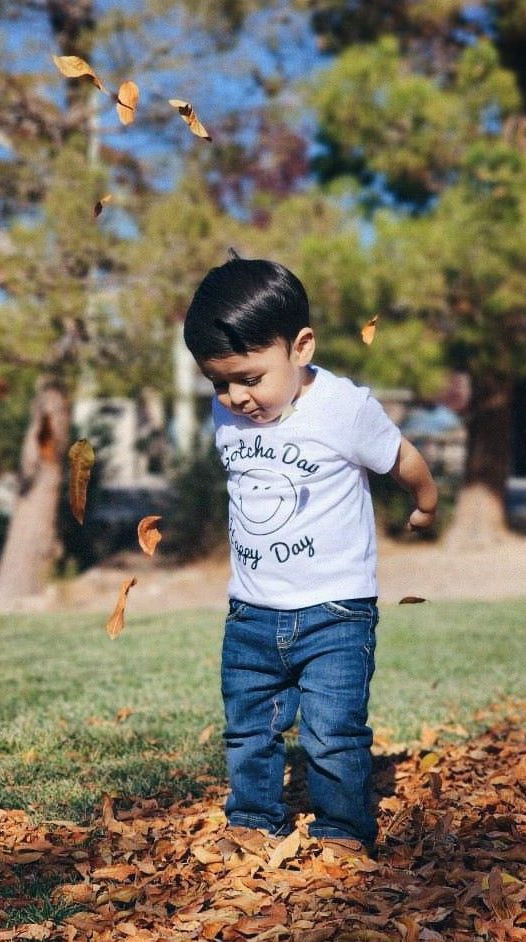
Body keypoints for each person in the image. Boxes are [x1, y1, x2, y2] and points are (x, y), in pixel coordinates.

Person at [183, 252, 438, 857]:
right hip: (250, 610)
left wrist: (425, 503)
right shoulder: (227, 414)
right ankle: (251, 820)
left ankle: (341, 831)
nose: (235, 396)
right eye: (219, 382)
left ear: (300, 348)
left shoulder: (343, 408)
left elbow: (401, 458)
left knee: (332, 732)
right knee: (249, 728)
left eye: (249, 378)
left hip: (336, 612)